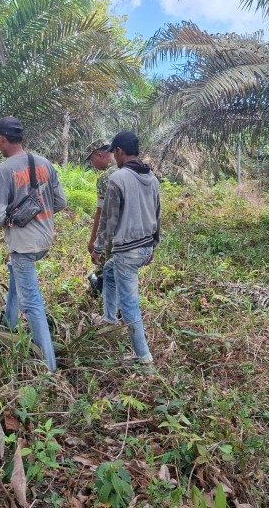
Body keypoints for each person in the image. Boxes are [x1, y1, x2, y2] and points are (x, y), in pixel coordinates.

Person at [0, 116, 67, 373]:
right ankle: (8, 327)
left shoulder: (2, 172)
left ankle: (49, 367)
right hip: (44, 240)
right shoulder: (44, 163)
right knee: (18, 279)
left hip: (23, 245)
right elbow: (60, 203)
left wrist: (15, 215)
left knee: (32, 302)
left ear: (1, 139)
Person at [91, 131, 160, 367]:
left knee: (130, 306)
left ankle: (144, 359)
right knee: (109, 273)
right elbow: (157, 214)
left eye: (114, 153)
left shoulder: (118, 179)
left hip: (128, 251)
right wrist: (154, 246)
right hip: (145, 248)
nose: (113, 157)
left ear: (119, 152)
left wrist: (97, 248)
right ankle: (109, 318)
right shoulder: (151, 178)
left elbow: (108, 219)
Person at [84, 139, 116, 296]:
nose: (93, 164)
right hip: (139, 236)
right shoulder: (135, 170)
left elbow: (101, 213)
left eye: (92, 160)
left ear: (100, 155)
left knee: (107, 269)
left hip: (114, 235)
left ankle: (104, 296)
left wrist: (93, 242)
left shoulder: (105, 178)